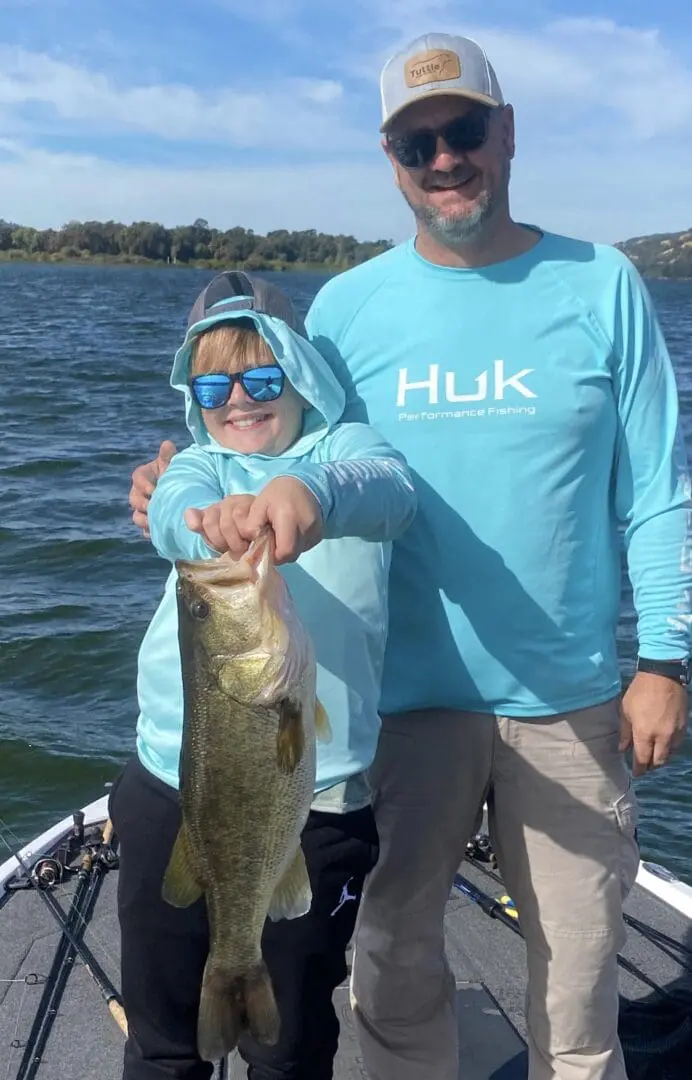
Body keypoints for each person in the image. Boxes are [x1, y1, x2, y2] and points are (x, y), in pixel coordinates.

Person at [128, 32, 692, 1080]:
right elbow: (284, 442)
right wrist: (184, 485)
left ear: (505, 133)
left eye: (462, 131)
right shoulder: (347, 307)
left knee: (575, 987)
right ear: (389, 160)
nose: (443, 160)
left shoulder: (602, 283)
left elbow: (659, 490)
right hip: (393, 707)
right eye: (414, 142)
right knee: (393, 974)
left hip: (564, 696)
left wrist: (661, 659)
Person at [112, 269, 417, 1080]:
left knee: (289, 1046)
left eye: (263, 375)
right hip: (169, 783)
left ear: (301, 371)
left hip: (316, 804)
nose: (237, 398)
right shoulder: (199, 465)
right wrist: (203, 522)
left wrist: (306, 489)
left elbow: (389, 492)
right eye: (212, 382)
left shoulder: (351, 451)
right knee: (162, 1033)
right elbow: (175, 506)